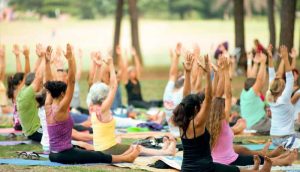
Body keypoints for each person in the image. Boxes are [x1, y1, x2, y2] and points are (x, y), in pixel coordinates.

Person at [172, 52, 272, 172]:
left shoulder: (182, 123)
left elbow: (186, 98)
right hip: (205, 169)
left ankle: (254, 170)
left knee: (235, 169)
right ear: (195, 109)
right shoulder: (197, 123)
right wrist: (208, 73)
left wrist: (187, 73)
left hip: (186, 169)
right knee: (234, 169)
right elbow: (209, 97)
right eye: (200, 105)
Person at [44, 43, 140, 164]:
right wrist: (70, 59)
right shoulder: (62, 108)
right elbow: (72, 81)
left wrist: (47, 62)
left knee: (86, 148)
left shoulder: (48, 107)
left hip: (53, 154)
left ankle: (125, 156)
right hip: (64, 154)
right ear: (63, 94)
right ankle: (126, 158)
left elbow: (47, 84)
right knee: (98, 155)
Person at [208, 56, 296, 166]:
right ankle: (282, 161)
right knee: (257, 161)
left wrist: (220, 72)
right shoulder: (223, 120)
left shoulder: (209, 121)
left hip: (220, 158)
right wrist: (225, 71)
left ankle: (267, 154)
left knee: (241, 149)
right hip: (228, 161)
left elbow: (215, 95)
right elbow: (227, 95)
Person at [87, 54, 176, 156]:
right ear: (104, 97)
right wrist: (111, 65)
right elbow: (113, 86)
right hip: (108, 149)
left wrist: (98, 67)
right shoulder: (103, 109)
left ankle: (162, 151)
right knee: (137, 148)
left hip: (101, 148)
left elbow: (94, 85)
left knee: (121, 140)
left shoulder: (92, 107)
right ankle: (166, 152)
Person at [267, 45, 298, 148]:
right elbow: (290, 78)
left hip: (274, 139)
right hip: (286, 138)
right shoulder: (284, 98)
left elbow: (272, 75)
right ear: (282, 89)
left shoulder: (270, 96)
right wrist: (285, 58)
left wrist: (270, 57)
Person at [16, 45, 44, 142]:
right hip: (35, 132)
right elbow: (39, 76)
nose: (41, 85)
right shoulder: (28, 93)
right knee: (59, 133)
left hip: (31, 131)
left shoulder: (25, 89)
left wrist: (40, 57)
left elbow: (33, 72)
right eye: (40, 84)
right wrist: (45, 58)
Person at [240, 52, 270, 135]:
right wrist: (263, 63)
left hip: (255, 124)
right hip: (257, 125)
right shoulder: (252, 94)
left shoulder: (244, 92)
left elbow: (251, 78)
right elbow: (259, 80)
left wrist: (256, 63)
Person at [163, 43, 184, 137]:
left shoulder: (167, 93)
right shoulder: (182, 95)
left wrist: (176, 56)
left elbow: (172, 75)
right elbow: (194, 79)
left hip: (173, 133)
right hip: (185, 135)